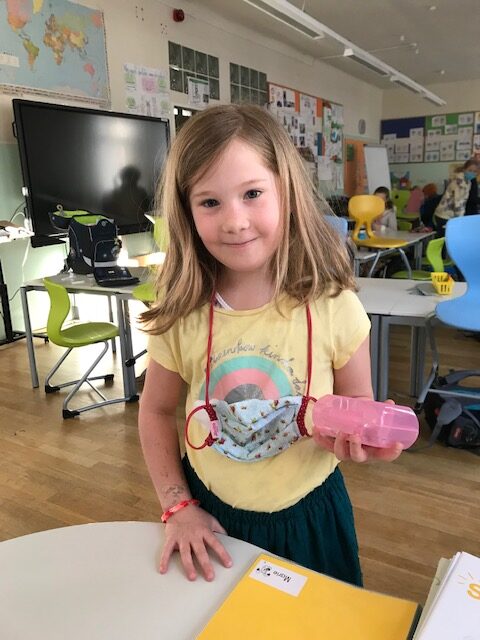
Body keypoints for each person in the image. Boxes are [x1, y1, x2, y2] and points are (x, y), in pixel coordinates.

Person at [138, 104, 402, 589]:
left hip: (312, 516)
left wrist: (363, 439)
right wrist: (177, 505)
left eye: (252, 194)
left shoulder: (333, 305)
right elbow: (154, 411)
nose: (235, 221)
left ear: (287, 192)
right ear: (186, 212)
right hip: (210, 517)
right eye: (210, 202)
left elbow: (358, 403)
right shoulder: (182, 312)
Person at [434, 159, 479, 235]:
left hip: (452, 215)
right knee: (447, 239)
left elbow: (463, 201)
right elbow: (458, 203)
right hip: (445, 215)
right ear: (464, 169)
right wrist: (459, 221)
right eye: (470, 170)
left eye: (475, 171)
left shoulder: (468, 182)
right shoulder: (459, 182)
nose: (472, 173)